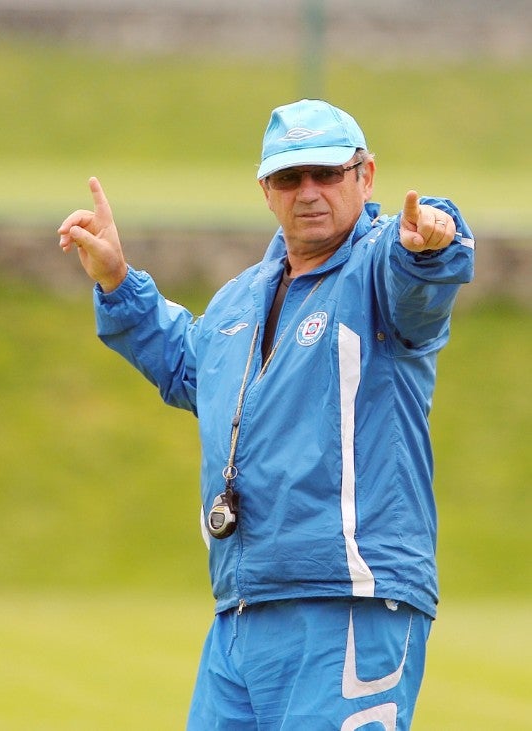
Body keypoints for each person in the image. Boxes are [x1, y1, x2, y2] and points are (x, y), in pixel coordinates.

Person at [59, 99, 475, 730]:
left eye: (327, 173)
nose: (308, 191)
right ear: (265, 189)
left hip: (350, 603)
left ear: (366, 177)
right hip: (243, 608)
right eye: (289, 177)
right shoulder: (239, 299)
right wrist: (118, 281)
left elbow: (423, 275)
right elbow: (190, 370)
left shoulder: (381, 268)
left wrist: (433, 244)